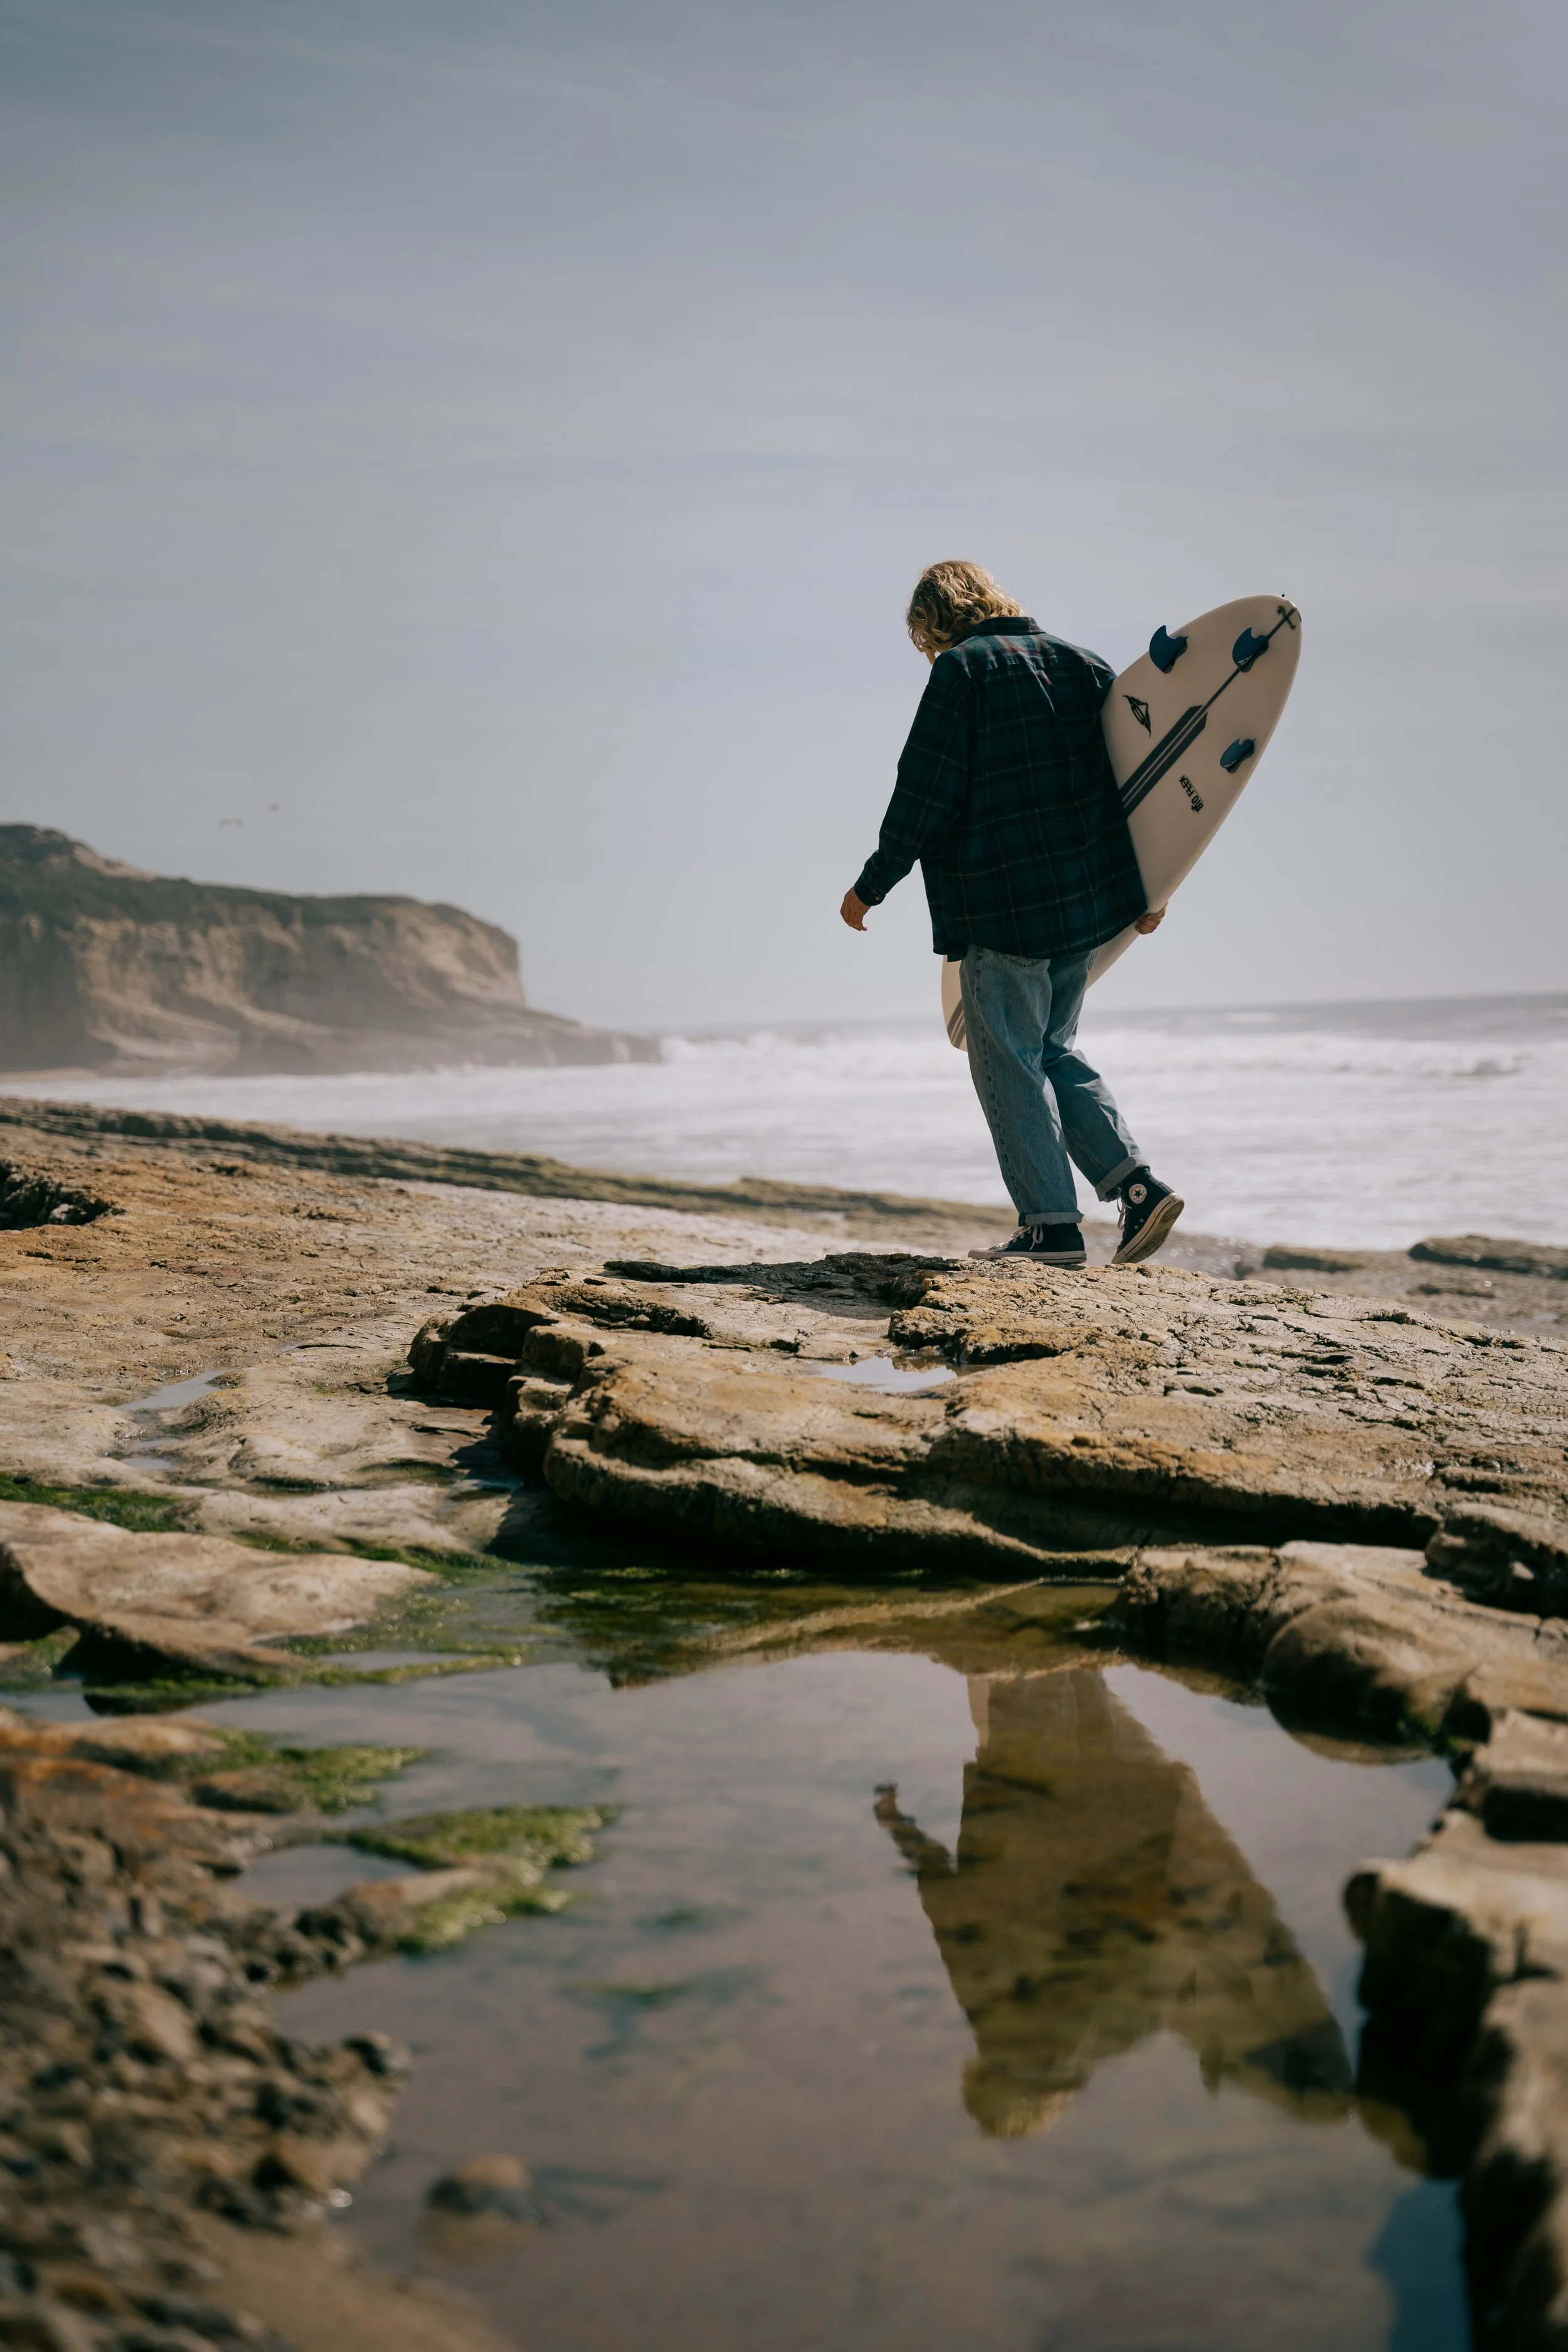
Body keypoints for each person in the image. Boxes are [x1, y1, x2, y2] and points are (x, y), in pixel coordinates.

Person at [840, 559, 1183, 1267]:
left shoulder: (961, 673)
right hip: (1083, 907)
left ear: (934, 622)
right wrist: (1148, 890)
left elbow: (923, 793)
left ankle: (1050, 1227)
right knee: (1051, 1049)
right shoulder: (1082, 663)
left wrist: (872, 885)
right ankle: (1137, 1187)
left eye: (925, 640)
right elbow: (1136, 786)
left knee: (1008, 1063)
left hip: (1002, 906)